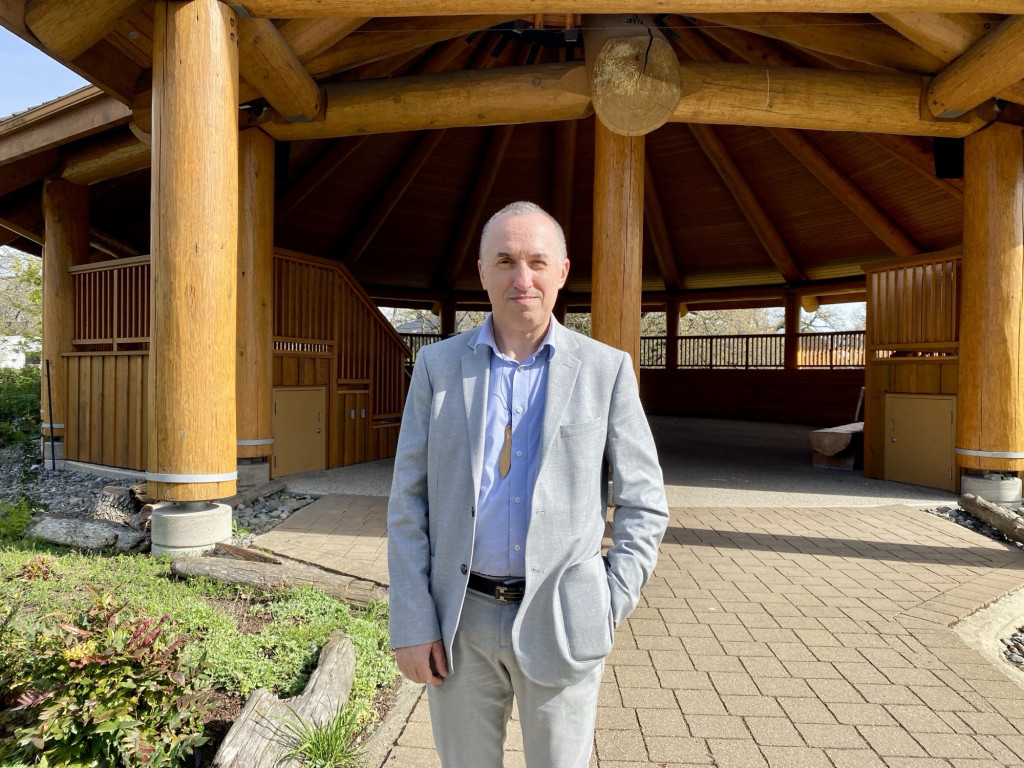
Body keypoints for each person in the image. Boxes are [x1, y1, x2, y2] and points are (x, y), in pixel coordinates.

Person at [387, 201, 669, 768]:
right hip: (458, 623)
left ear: (562, 272)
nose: (523, 278)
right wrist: (413, 620)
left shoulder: (605, 369)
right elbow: (407, 503)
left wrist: (608, 603)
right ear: (483, 271)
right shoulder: (438, 368)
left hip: (564, 620)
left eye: (538, 262)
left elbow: (644, 502)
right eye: (506, 261)